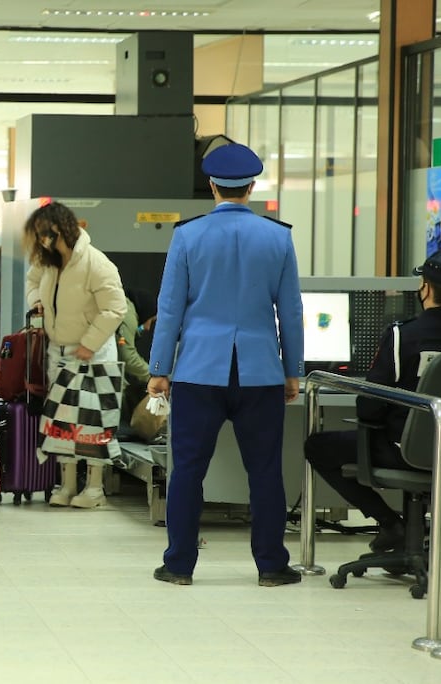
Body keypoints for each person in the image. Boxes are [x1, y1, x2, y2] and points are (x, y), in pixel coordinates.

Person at [147, 143, 304, 588]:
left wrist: (160, 367)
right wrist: (291, 369)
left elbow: (170, 307)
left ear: (212, 186)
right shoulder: (278, 237)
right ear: (252, 187)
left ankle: (179, 564)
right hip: (260, 374)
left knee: (188, 471)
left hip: (198, 371)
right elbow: (289, 312)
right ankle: (272, 565)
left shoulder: (187, 236)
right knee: (266, 471)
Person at [305, 250, 441, 552]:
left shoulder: (402, 336)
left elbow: (369, 407)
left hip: (404, 452)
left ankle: (391, 523)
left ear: (426, 287)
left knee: (316, 446)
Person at [24, 201, 127, 509]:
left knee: (95, 420)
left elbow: (115, 308)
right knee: (63, 418)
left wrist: (90, 343)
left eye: (46, 234)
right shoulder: (47, 261)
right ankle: (67, 483)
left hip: (94, 353)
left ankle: (94, 488)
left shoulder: (96, 263)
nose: (42, 241)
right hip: (60, 350)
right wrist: (36, 302)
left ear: (62, 229)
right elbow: (32, 283)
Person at [116, 288, 154, 439]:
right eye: (151, 321)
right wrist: (153, 377)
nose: (148, 327)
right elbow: (128, 356)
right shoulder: (128, 313)